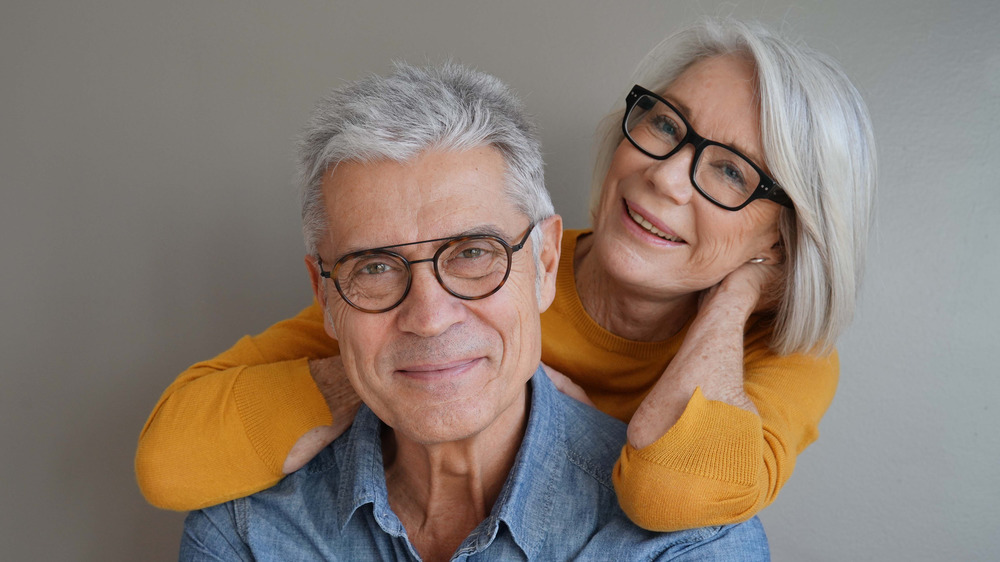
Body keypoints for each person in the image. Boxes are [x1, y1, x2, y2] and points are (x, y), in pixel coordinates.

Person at [138, 18, 876, 531]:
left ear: (783, 234)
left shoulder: (780, 358)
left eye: (729, 171)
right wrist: (401, 366)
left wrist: (739, 292)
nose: (665, 178)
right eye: (664, 125)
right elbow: (171, 460)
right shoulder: (484, 265)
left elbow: (675, 493)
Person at [178, 62, 770, 561]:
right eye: (376, 267)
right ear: (325, 297)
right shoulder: (247, 529)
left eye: (472, 254)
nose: (431, 318)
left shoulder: (686, 543)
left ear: (543, 265)